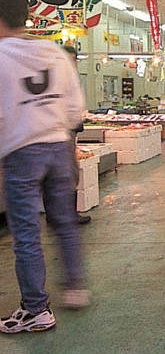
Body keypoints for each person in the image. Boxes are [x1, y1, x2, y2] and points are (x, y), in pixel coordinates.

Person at [0, 0, 89, 334]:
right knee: (64, 222)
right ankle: (76, 286)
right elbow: (73, 107)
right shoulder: (54, 52)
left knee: (26, 231)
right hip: (59, 146)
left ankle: (36, 308)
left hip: (22, 151)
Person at [61, 45, 92, 225]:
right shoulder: (59, 80)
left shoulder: (70, 79)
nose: (72, 64)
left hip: (68, 133)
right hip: (61, 134)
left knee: (68, 173)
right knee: (68, 174)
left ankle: (62, 214)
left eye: (73, 60)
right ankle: (67, 215)